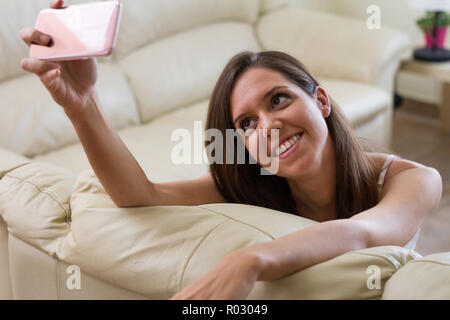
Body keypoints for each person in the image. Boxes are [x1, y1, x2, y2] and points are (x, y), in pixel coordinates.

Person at [20, 0, 442, 300]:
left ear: (322, 101)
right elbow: (140, 195)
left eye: (278, 99)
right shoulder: (251, 185)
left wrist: (250, 260)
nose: (269, 126)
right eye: (247, 123)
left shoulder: (413, 179)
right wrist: (83, 104)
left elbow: (363, 233)